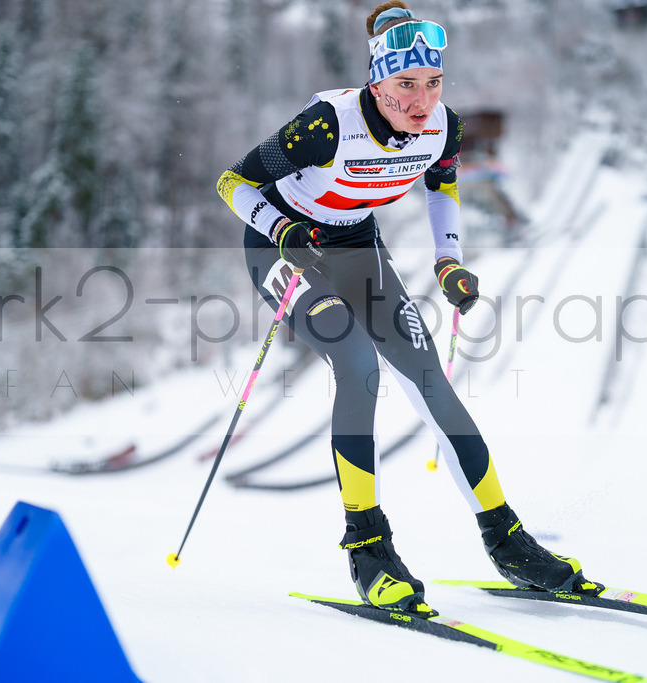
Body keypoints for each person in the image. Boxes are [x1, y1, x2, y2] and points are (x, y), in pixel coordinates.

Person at [216, 1, 600, 614]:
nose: (422, 101)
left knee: (430, 379)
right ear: (376, 83)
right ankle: (367, 547)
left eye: (433, 82)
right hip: (283, 247)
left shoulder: (444, 127)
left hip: (354, 247)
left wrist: (448, 261)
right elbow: (232, 182)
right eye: (405, 85)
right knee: (357, 365)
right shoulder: (326, 126)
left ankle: (506, 539)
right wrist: (281, 229)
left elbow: (442, 191)